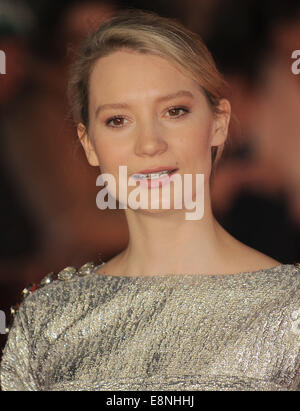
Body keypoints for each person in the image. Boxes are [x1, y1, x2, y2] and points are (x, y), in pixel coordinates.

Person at [0, 9, 299, 391]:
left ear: (218, 124)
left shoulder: (290, 313)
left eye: (174, 111)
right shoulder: (48, 322)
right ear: (89, 144)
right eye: (118, 120)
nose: (149, 144)